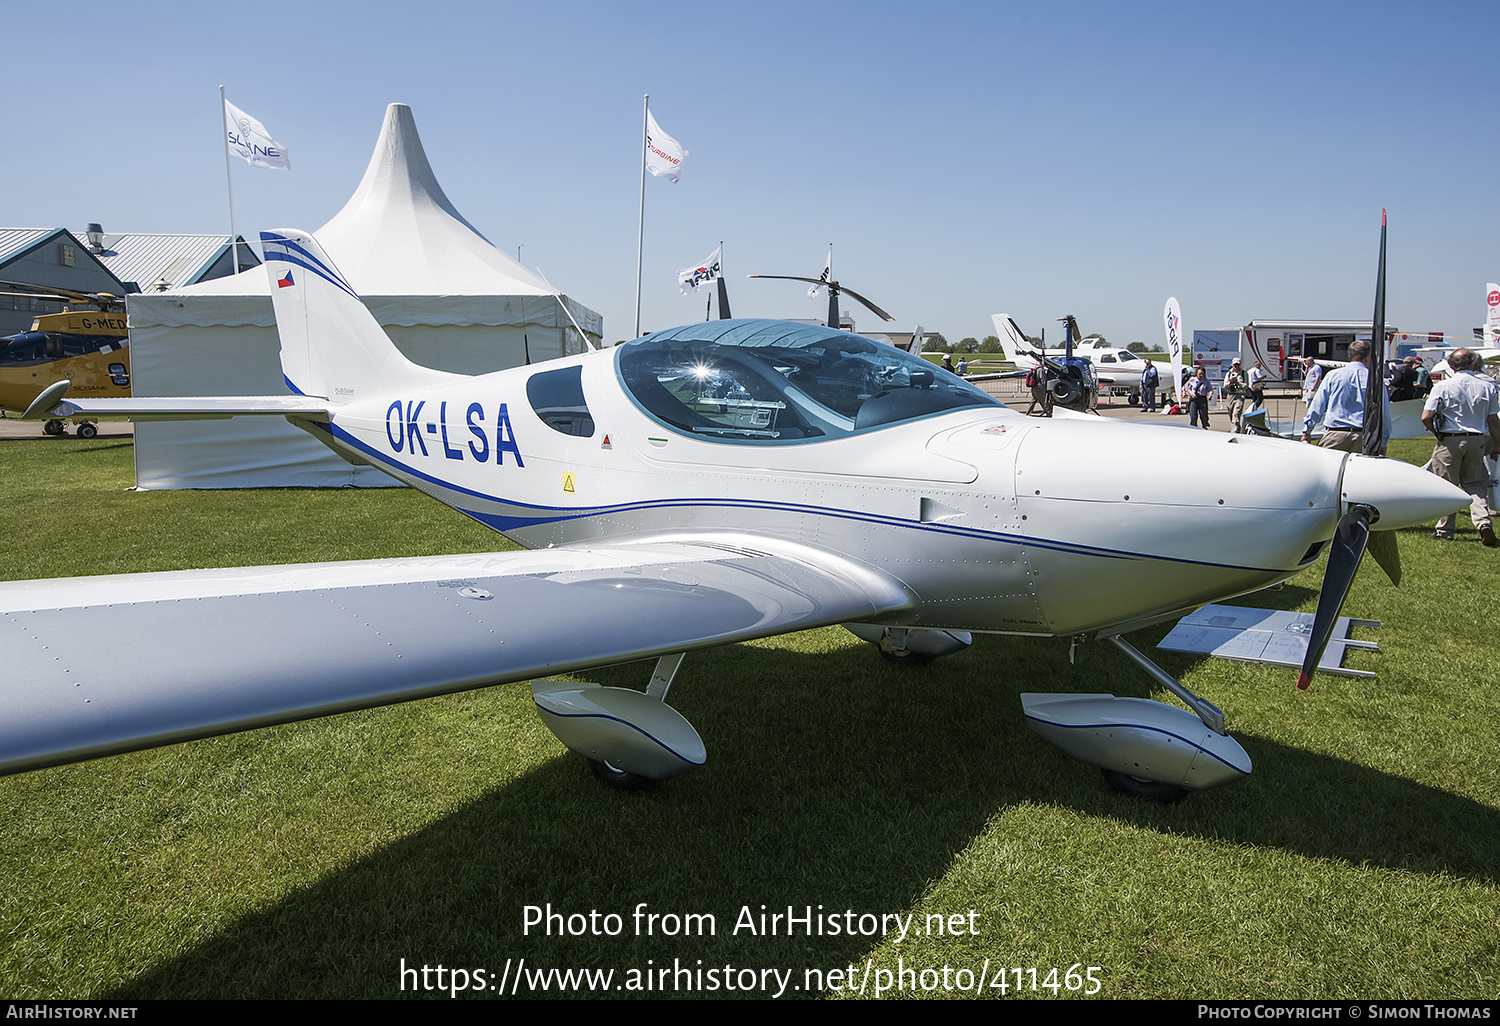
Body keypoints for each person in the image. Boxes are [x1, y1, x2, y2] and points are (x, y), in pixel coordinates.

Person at [1420, 347, 1500, 546]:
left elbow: (1426, 416)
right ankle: (1483, 522)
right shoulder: (1486, 387)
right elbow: (1493, 421)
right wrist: (1497, 445)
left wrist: (1436, 433)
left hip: (1450, 438)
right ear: (1474, 363)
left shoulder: (1442, 386)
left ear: (1450, 365)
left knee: (1447, 485)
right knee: (1476, 483)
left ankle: (1445, 530)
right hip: (1477, 440)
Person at [1299, 339, 1389, 453]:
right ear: (1367, 357)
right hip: (1364, 437)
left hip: (1335, 434)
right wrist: (1383, 442)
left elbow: (1317, 405)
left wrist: (1307, 431)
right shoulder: (1375, 381)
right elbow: (1384, 415)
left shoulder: (1333, 375)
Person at [1223, 358, 1247, 433]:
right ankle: (1236, 428)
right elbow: (1225, 385)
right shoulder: (1229, 373)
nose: (1236, 366)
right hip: (1230, 395)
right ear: (1232, 365)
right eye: (1235, 364)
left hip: (1240, 395)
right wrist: (1230, 383)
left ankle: (1234, 432)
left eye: (1238, 364)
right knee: (1231, 413)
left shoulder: (1244, 373)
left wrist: (1238, 383)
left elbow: (1246, 385)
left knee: (1236, 413)